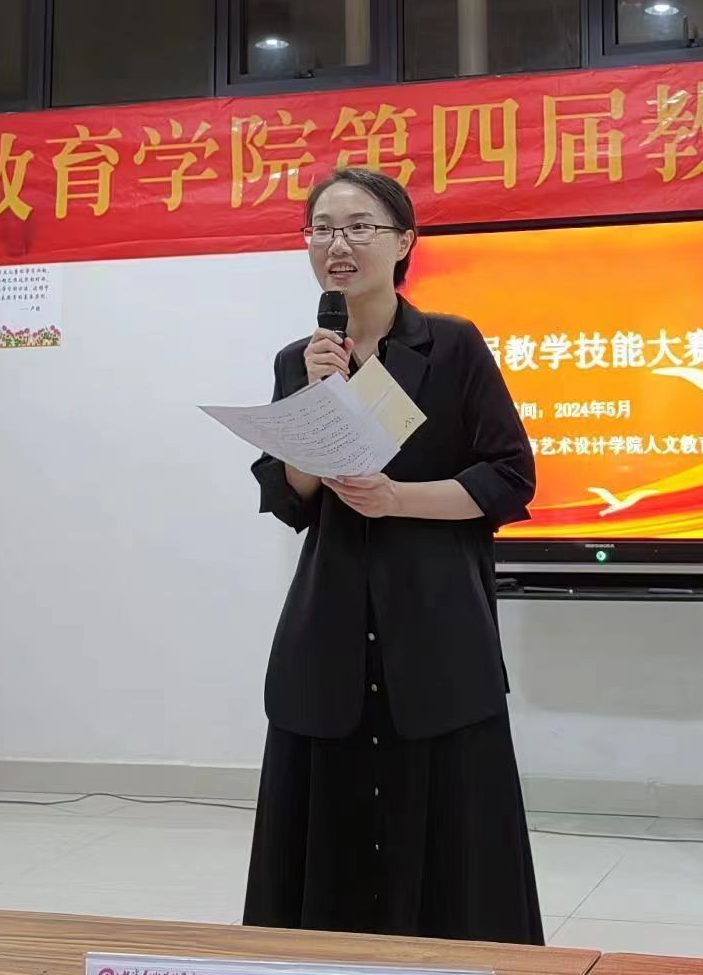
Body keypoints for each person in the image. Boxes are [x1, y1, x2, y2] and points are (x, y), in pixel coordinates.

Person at [243, 166, 543, 944]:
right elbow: (291, 499)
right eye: (321, 229)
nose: (337, 245)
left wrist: (397, 498)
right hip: (330, 621)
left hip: (436, 622)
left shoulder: (451, 344)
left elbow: (509, 478)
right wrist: (317, 404)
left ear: (403, 241)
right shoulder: (299, 359)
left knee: (451, 846)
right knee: (328, 846)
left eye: (358, 227)